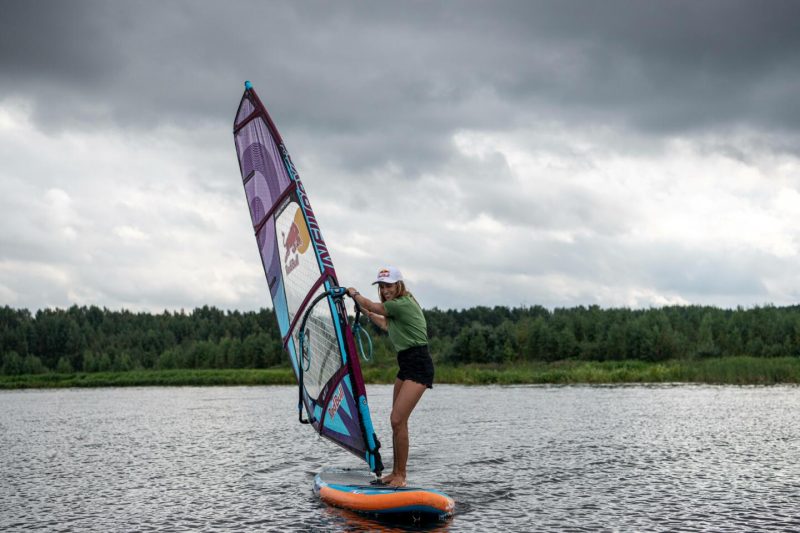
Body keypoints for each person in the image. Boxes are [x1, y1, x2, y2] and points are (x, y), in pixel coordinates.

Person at [347, 266, 433, 488]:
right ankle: (395, 473)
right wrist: (365, 312)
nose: (385, 290)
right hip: (405, 364)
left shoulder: (401, 303)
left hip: (419, 364)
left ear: (399, 285)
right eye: (382, 287)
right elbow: (384, 322)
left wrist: (354, 294)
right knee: (396, 422)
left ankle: (401, 476)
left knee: (397, 419)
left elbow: (374, 306)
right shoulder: (394, 308)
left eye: (389, 286)